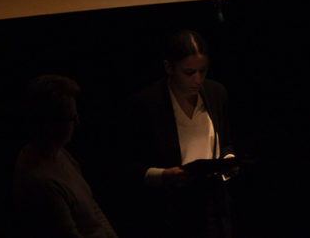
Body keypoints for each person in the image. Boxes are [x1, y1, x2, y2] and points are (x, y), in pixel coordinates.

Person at [126, 30, 235, 238]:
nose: (198, 79)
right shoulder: (147, 104)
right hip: (170, 209)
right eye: (189, 72)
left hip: (214, 203)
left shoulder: (215, 93)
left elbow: (226, 142)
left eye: (203, 71)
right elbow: (128, 165)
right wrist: (164, 175)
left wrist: (228, 160)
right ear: (169, 67)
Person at [12, 74, 119, 238]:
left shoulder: (60, 154)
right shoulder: (42, 183)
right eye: (71, 118)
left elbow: (92, 206)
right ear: (50, 123)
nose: (77, 123)